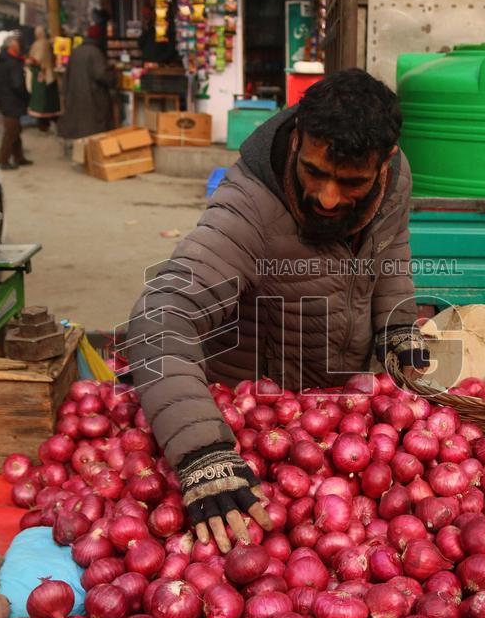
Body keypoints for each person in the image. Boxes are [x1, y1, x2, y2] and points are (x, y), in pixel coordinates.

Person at [125, 70, 428, 552]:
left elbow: (388, 250)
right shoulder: (249, 205)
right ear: (296, 143)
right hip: (252, 421)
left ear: (384, 162)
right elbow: (162, 313)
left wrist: (397, 325)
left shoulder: (395, 178)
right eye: (315, 172)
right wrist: (204, 452)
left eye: (350, 183)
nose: (328, 197)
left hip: (336, 412)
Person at [58, 25, 113, 140]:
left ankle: (80, 148)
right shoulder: (95, 52)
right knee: (91, 128)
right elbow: (101, 74)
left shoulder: (76, 51)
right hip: (92, 97)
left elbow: (67, 75)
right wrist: (113, 78)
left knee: (80, 126)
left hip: (76, 95)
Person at [0, 36, 32, 170]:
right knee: (11, 131)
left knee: (15, 129)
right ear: (12, 47)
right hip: (11, 101)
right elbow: (17, 85)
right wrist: (26, 97)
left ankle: (19, 157)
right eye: (17, 45)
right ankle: (3, 160)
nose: (19, 47)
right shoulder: (12, 63)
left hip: (4, 99)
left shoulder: (1, 61)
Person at [26, 26, 61, 131]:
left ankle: (44, 123)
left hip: (40, 75)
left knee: (41, 100)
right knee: (50, 99)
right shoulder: (47, 43)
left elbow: (37, 59)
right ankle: (51, 120)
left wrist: (29, 61)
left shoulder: (39, 44)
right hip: (49, 74)